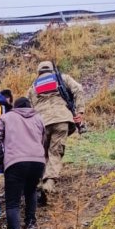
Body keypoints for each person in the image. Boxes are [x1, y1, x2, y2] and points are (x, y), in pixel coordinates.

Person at [0, 96, 46, 229]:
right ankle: (30, 224)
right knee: (31, 190)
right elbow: (44, 140)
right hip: (37, 161)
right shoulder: (39, 117)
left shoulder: (6, 117)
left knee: (13, 203)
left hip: (15, 162)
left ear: (15, 106)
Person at [28, 61, 84, 196]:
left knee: (43, 153)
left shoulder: (33, 87)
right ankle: (49, 183)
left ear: (38, 72)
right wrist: (80, 112)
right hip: (61, 119)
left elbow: (29, 108)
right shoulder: (63, 78)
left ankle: (39, 181)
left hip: (41, 123)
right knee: (55, 152)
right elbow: (79, 89)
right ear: (52, 70)